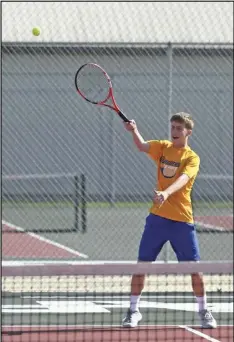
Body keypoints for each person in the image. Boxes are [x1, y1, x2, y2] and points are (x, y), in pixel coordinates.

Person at [122, 113, 217, 329]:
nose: (174, 132)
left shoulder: (192, 158)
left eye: (179, 129)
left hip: (182, 222)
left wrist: (165, 194)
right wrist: (133, 130)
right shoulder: (163, 148)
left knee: (195, 269)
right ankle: (133, 311)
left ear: (188, 132)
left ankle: (203, 311)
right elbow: (142, 146)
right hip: (157, 220)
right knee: (141, 265)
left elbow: (183, 180)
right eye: (172, 127)